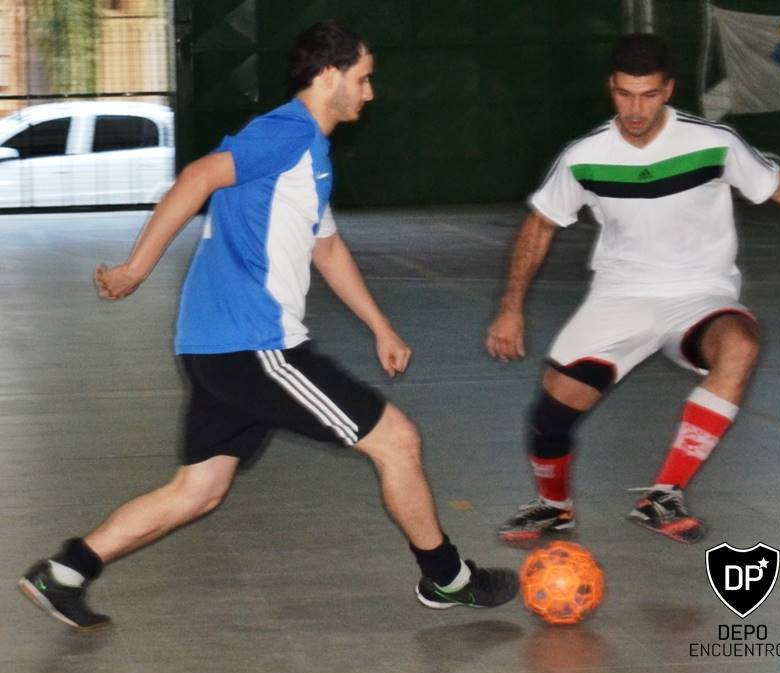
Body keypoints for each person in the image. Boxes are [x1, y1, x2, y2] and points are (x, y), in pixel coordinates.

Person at [19, 20, 517, 632]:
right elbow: (198, 177)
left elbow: (326, 247)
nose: (370, 92)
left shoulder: (310, 154)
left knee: (198, 491)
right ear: (329, 76)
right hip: (254, 345)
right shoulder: (287, 132)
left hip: (217, 346)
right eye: (364, 79)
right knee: (398, 440)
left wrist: (380, 327)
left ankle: (65, 572)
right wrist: (134, 270)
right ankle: (448, 578)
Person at [487, 33, 780, 544]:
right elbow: (540, 225)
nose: (635, 109)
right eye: (624, 94)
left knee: (740, 344)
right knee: (551, 415)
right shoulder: (586, 155)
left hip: (700, 294)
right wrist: (510, 308)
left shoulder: (713, 142)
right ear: (611, 88)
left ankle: (664, 495)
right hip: (621, 296)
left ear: (668, 89)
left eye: (648, 95)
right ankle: (553, 507)